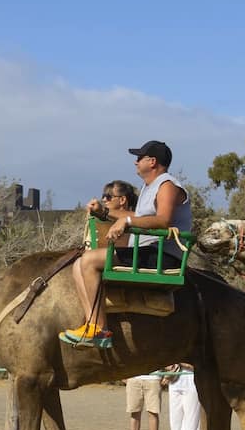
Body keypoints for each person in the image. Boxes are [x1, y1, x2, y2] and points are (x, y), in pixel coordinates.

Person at [61, 140, 192, 347]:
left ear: (152, 161)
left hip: (161, 256)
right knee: (78, 265)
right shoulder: (150, 187)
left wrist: (127, 221)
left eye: (139, 157)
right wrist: (104, 213)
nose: (135, 162)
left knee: (89, 261)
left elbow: (164, 220)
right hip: (146, 251)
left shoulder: (167, 185)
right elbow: (138, 216)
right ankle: (94, 326)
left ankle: (98, 329)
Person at [124, 366, 164, 430]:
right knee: (134, 411)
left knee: (153, 411)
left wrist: (166, 376)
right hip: (134, 378)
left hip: (153, 378)